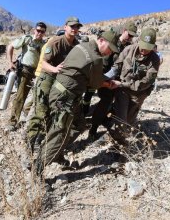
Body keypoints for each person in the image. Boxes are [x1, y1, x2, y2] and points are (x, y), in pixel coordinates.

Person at [35, 30, 120, 175]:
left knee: (79, 125)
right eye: (110, 48)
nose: (110, 53)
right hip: (65, 98)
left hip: (63, 94)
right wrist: (110, 83)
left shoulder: (81, 46)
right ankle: (37, 170)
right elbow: (95, 83)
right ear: (101, 40)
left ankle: (57, 153)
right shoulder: (96, 58)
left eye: (113, 51)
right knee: (59, 133)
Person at [26, 17, 81, 153]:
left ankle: (44, 141)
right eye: (72, 26)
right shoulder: (56, 41)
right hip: (47, 78)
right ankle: (30, 143)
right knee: (41, 112)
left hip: (60, 83)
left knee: (53, 113)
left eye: (77, 27)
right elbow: (43, 62)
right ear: (65, 27)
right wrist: (55, 69)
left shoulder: (76, 45)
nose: (75, 29)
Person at [86, 21, 138, 140]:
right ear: (124, 31)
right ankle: (93, 128)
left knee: (111, 103)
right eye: (129, 35)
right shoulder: (112, 42)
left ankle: (104, 120)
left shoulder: (127, 48)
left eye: (132, 36)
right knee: (103, 101)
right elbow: (102, 62)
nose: (130, 37)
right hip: (103, 78)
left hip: (115, 81)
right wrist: (102, 79)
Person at [108, 28, 160, 145]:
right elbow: (117, 65)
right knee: (121, 119)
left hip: (138, 94)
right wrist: (108, 77)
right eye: (142, 45)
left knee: (130, 120)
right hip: (122, 91)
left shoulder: (155, 60)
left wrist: (121, 84)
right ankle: (118, 143)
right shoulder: (129, 49)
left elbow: (145, 82)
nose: (143, 50)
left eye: (148, 48)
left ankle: (118, 136)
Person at [7, 22, 47, 127]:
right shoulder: (27, 39)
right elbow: (10, 46)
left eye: (42, 31)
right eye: (38, 30)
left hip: (38, 73)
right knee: (20, 96)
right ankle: (12, 121)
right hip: (25, 71)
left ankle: (26, 110)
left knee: (37, 95)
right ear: (35, 30)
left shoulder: (44, 44)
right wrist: (10, 62)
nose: (40, 33)